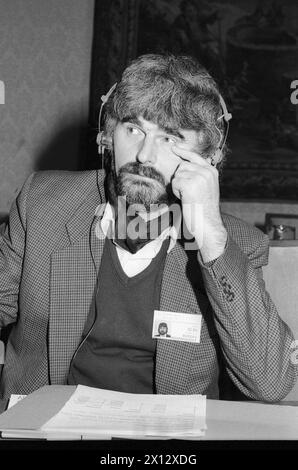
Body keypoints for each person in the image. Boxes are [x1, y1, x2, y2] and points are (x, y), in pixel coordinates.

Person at [0, 53, 297, 402]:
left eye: (170, 139)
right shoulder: (44, 205)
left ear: (208, 159)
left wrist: (211, 238)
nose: (144, 155)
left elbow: (270, 384)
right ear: (109, 137)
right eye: (133, 129)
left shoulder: (235, 244)